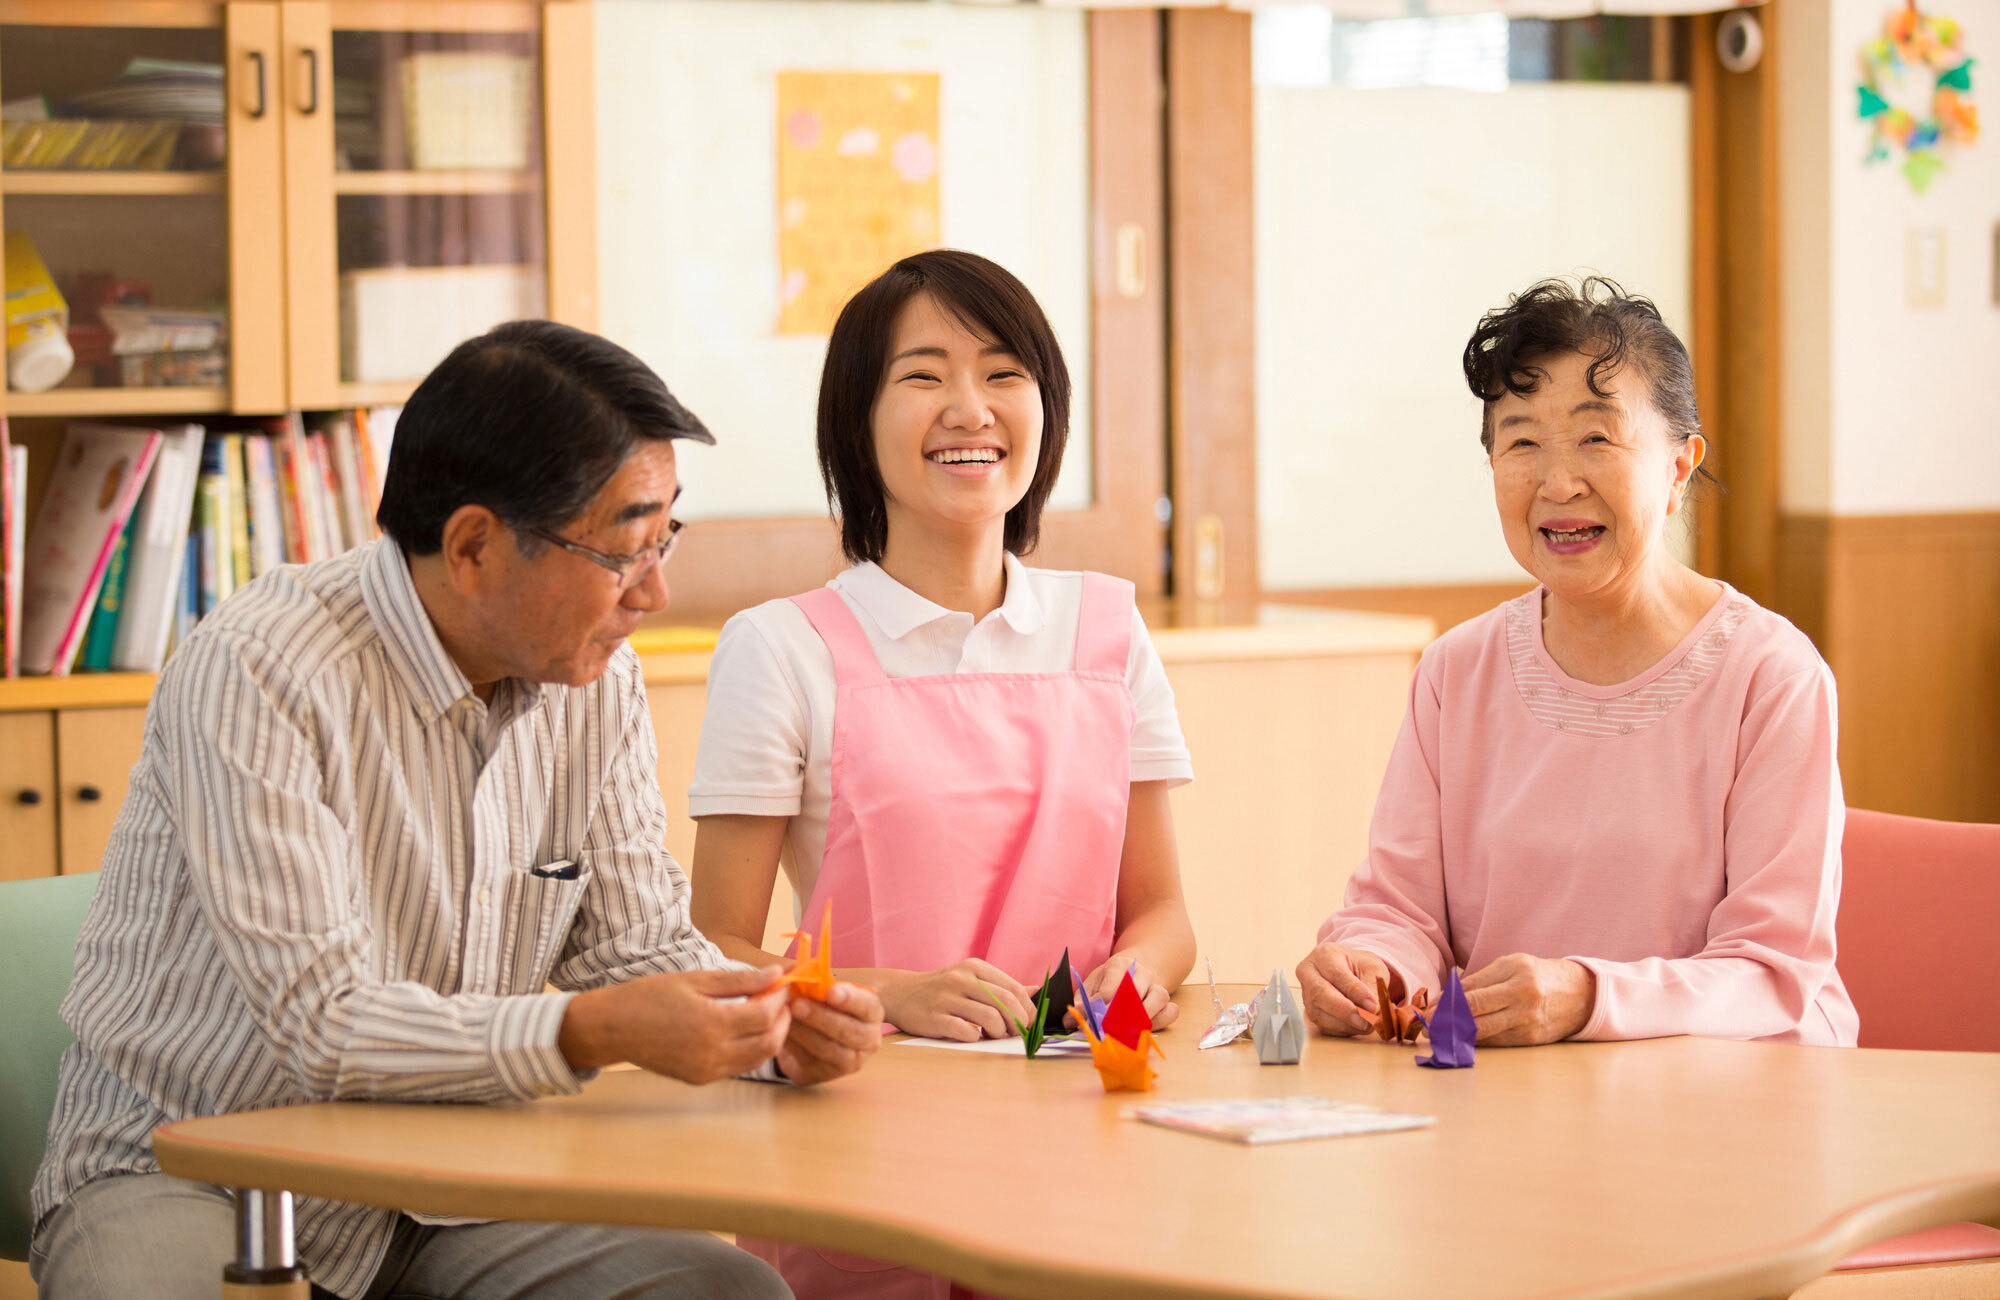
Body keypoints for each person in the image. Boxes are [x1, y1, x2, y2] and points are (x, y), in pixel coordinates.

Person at [31, 320, 884, 1300]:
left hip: (452, 1183)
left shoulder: (594, 678)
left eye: (665, 536)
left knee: (722, 1290)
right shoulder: (262, 666)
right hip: (194, 1169)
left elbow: (630, 949)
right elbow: (326, 1024)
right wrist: (589, 1032)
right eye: (624, 549)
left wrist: (770, 1026)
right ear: (473, 544)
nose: (655, 591)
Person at [687, 250, 1196, 1298]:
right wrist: (888, 997)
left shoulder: (1106, 626)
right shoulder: (780, 648)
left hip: (1083, 1136)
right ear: (854, 423)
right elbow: (713, 952)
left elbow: (1164, 915)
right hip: (864, 1144)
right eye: (921, 376)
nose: (968, 406)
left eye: (1003, 373)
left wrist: (1131, 983)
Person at [1297, 277, 1857, 1049]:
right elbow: (1400, 910)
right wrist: (1370, 967)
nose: (1558, 484)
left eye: (1597, 438)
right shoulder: (1456, 672)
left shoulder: (1772, 676)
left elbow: (1772, 974)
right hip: (1512, 1097)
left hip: (1734, 1113)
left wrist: (1590, 997)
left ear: (1678, 466)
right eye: (1522, 442)